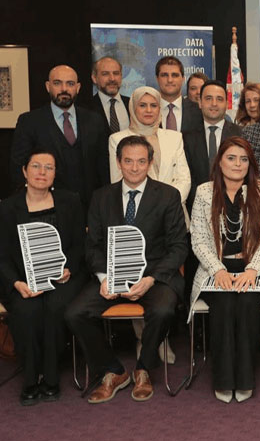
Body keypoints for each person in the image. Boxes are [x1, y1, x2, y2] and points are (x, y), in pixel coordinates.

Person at [65, 135, 188, 404]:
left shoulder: (168, 196)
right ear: (118, 162)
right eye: (128, 161)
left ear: (150, 163)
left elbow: (179, 247)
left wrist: (151, 279)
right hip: (111, 275)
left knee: (164, 310)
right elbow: (92, 245)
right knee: (75, 313)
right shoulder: (101, 197)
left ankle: (144, 368)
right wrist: (104, 278)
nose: (135, 168)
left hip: (154, 277)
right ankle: (114, 370)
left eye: (141, 161)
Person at [189, 137, 260, 403]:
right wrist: (218, 270)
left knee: (247, 304)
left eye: (243, 159)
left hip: (257, 266)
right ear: (219, 162)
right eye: (231, 158)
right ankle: (223, 379)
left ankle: (245, 378)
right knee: (224, 305)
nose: (237, 164)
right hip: (216, 267)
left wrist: (252, 270)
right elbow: (198, 239)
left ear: (250, 163)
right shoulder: (204, 192)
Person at [0, 150, 86, 406]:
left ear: (55, 173)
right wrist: (17, 283)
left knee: (54, 307)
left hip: (63, 277)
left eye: (49, 167)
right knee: (26, 310)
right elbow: (2, 255)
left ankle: (50, 377)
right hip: (21, 280)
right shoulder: (7, 208)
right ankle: (30, 379)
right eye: (36, 166)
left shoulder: (70, 201)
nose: (42, 172)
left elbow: (80, 245)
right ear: (24, 171)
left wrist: (68, 269)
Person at [9, 64, 109, 211]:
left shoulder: (95, 121)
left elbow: (104, 168)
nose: (64, 89)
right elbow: (18, 168)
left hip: (90, 208)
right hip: (46, 208)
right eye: (57, 83)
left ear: (78, 87)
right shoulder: (29, 122)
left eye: (70, 84)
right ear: (48, 86)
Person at [108, 86, 191, 226]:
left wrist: (166, 205)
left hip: (173, 215)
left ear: (160, 108)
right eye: (142, 105)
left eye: (153, 105)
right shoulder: (117, 139)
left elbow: (184, 179)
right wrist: (151, 207)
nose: (148, 110)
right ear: (133, 108)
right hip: (137, 217)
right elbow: (117, 181)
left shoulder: (174, 137)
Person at [184, 80, 243, 217]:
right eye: (208, 98)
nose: (214, 104)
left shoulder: (241, 134)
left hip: (234, 209)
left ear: (226, 103)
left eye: (219, 99)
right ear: (200, 103)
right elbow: (187, 177)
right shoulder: (186, 137)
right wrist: (201, 202)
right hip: (197, 209)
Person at [155, 56, 203, 134]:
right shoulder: (148, 111)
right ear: (157, 79)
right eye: (164, 75)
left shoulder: (199, 112)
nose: (170, 80)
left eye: (175, 75)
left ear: (183, 79)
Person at [90, 56, 130, 133]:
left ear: (121, 76)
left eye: (116, 73)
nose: (112, 79)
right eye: (105, 74)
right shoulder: (86, 108)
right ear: (94, 78)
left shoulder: (132, 104)